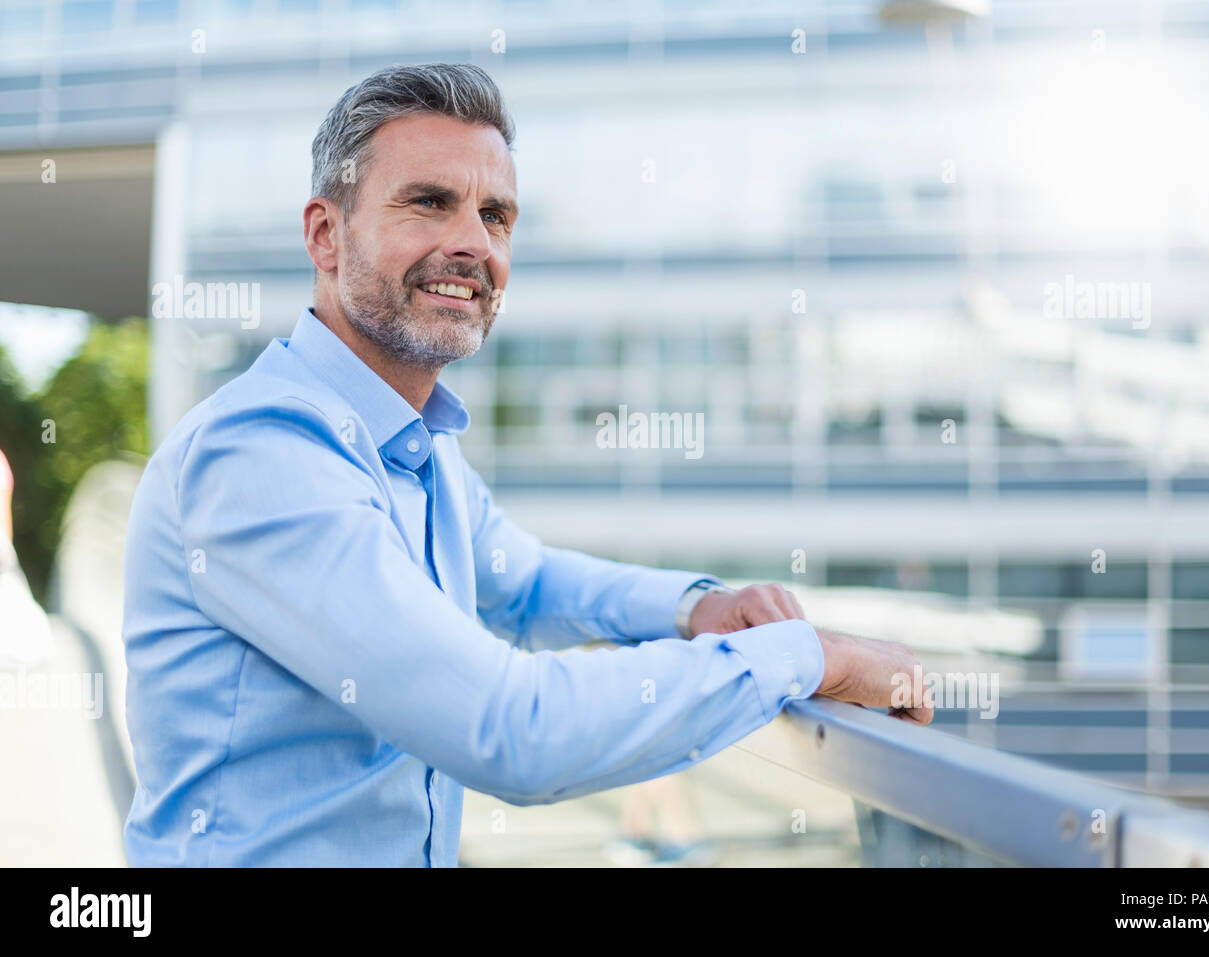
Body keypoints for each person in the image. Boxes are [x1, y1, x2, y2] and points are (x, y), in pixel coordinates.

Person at [121, 63, 932, 867]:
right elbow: (511, 730)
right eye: (430, 202)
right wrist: (810, 656)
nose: (473, 243)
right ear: (325, 234)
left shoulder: (414, 439)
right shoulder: (263, 454)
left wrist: (696, 608)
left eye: (497, 215)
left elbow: (528, 580)